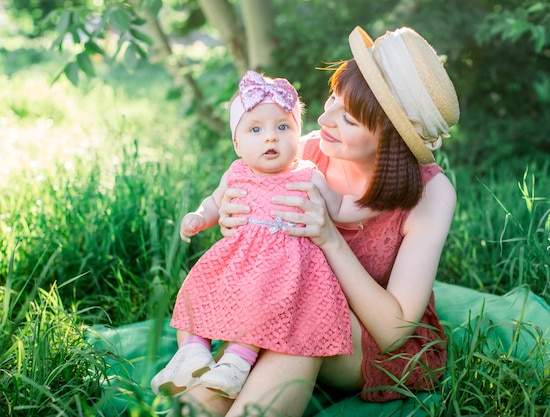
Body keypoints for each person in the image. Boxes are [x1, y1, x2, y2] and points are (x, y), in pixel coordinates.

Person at [177, 26, 460, 417]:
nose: (324, 118)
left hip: (368, 341)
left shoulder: (431, 194)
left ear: (391, 138)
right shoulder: (304, 152)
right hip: (277, 310)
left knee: (298, 322)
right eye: (331, 98)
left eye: (348, 118)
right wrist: (231, 219)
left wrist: (330, 238)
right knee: (264, 334)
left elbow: (393, 332)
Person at [150, 70, 375, 400]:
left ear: (298, 136)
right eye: (256, 129)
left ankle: (236, 364)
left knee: (262, 307)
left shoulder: (307, 174)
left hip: (284, 269)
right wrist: (200, 217)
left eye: (283, 127)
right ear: (237, 144)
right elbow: (215, 201)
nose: (271, 137)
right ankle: (192, 354)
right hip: (239, 261)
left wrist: (375, 203)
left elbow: (341, 208)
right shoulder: (237, 171)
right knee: (198, 292)